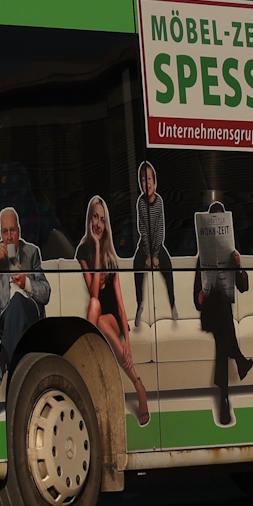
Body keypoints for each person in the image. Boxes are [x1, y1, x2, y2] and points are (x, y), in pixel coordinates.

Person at [76, 193, 152, 424]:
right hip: (98, 317)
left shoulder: (111, 258)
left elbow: (120, 305)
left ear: (106, 224)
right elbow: (94, 293)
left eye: (102, 219)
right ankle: (133, 383)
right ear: (89, 220)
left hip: (113, 322)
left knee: (100, 317)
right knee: (94, 305)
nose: (98, 224)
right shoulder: (84, 251)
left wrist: (127, 343)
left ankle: (137, 386)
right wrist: (97, 248)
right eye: (95, 217)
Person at [191, 202, 250, 428]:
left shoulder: (232, 255)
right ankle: (240, 359)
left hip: (222, 317)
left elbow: (244, 287)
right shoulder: (203, 258)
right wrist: (200, 298)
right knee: (221, 308)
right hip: (210, 314)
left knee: (222, 332)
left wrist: (239, 267)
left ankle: (224, 400)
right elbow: (195, 300)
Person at [0, 207, 48, 391]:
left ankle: (3, 357)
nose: (9, 237)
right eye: (5, 232)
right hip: (8, 317)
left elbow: (46, 293)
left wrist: (26, 283)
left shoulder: (31, 252)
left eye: (12, 231)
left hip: (30, 313)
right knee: (14, 303)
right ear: (0, 234)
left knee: (18, 299)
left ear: (19, 231)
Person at [131, 161, 177, 323]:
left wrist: (156, 255)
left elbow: (159, 230)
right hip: (144, 246)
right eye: (143, 180)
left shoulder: (159, 202)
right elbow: (142, 229)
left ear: (155, 183)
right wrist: (148, 255)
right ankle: (139, 305)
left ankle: (173, 304)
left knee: (168, 267)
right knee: (136, 266)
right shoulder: (140, 203)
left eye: (149, 179)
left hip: (158, 245)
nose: (147, 183)